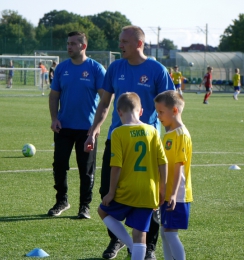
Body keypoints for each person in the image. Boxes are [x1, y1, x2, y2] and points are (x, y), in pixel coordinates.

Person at [84, 25, 175, 260]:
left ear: (139, 44)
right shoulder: (115, 67)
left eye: (124, 41)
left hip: (147, 143)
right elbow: (104, 103)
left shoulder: (157, 70)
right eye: (120, 41)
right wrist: (94, 130)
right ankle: (117, 242)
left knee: (150, 197)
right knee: (108, 192)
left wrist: (171, 137)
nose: (120, 45)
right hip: (117, 140)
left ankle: (148, 248)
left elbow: (170, 106)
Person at [98, 92, 168, 260]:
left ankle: (127, 243)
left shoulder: (118, 133)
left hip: (126, 190)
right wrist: (162, 189)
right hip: (148, 191)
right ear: (141, 111)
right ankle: (133, 247)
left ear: (119, 112)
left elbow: (116, 166)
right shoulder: (152, 131)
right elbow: (163, 162)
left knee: (103, 211)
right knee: (140, 234)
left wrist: (111, 192)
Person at [48, 31, 106, 219]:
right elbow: (54, 95)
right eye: (68, 43)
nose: (69, 47)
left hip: (87, 130)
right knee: (59, 165)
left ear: (83, 46)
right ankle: (62, 201)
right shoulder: (61, 68)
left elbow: (106, 100)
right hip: (63, 127)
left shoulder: (96, 69)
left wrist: (95, 128)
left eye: (73, 43)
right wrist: (54, 118)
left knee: (86, 169)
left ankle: (84, 206)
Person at [154, 90, 193, 260]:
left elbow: (179, 168)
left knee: (170, 234)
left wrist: (172, 193)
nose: (158, 116)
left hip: (177, 194)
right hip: (168, 192)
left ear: (175, 110)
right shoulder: (169, 134)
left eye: (161, 112)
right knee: (164, 232)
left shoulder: (181, 135)